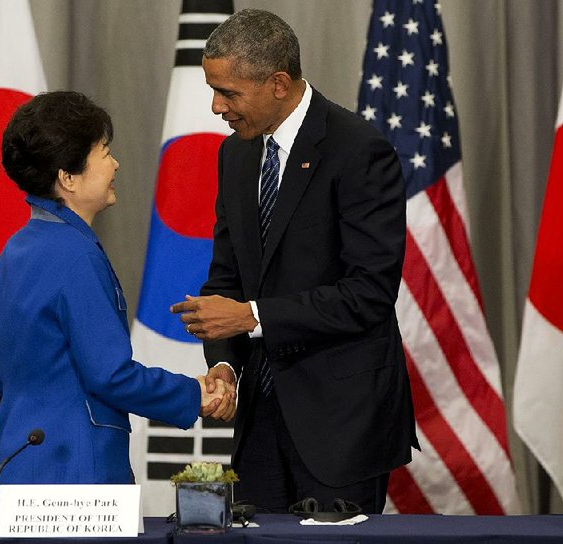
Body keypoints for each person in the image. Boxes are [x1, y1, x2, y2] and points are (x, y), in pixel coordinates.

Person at [171, 9, 418, 514]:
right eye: (212, 90)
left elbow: (368, 293)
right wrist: (222, 362)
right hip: (259, 422)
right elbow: (227, 278)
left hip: (341, 427)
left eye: (229, 92)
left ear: (278, 84)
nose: (217, 106)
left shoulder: (359, 151)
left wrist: (253, 316)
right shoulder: (235, 156)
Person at [0, 91, 232, 509]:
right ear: (69, 177)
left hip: (17, 465)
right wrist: (194, 394)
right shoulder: (75, 255)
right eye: (104, 152)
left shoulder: (17, 248)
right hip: (78, 475)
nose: (115, 164)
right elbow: (110, 376)